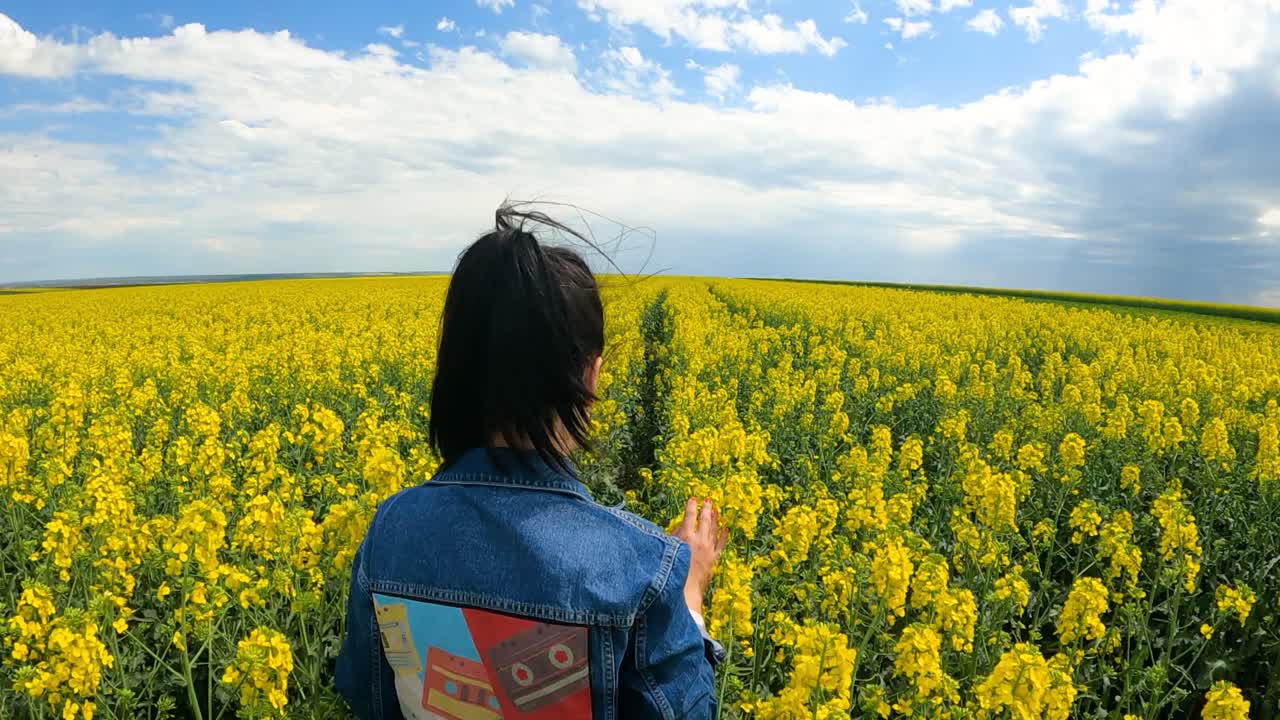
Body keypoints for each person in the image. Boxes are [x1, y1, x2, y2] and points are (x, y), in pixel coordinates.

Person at [335, 206, 728, 720]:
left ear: (455, 370)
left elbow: (369, 700)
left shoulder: (390, 532)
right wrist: (689, 596)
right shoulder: (640, 569)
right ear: (591, 376)